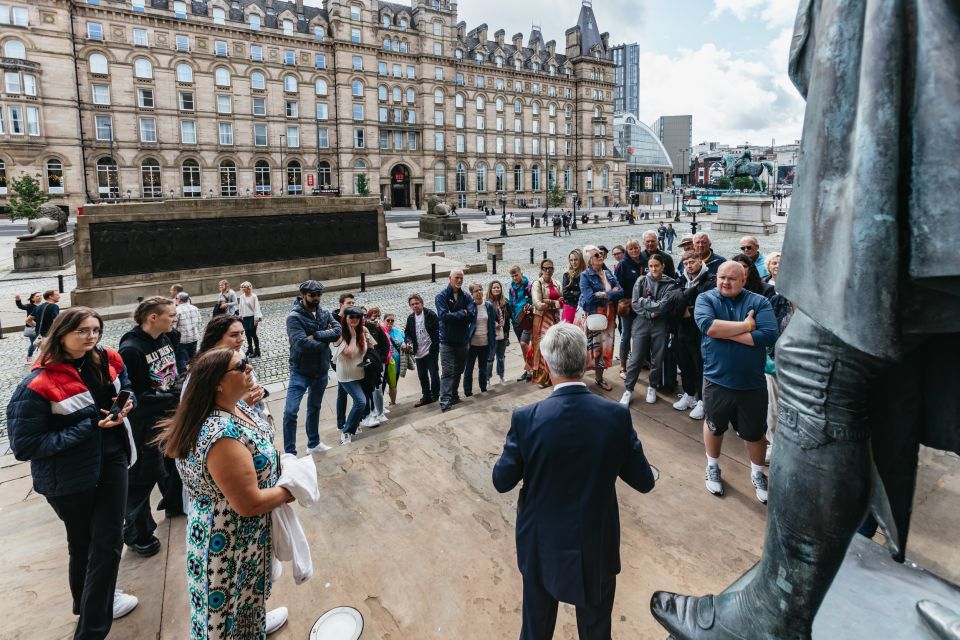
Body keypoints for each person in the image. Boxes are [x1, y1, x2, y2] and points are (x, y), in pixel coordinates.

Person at [492, 322, 656, 640]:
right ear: (585, 362)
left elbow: (502, 480)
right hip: (596, 540)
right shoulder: (616, 417)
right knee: (596, 630)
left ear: (547, 365)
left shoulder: (526, 419)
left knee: (535, 628)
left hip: (541, 541)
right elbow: (644, 480)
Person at [7, 307, 139, 638]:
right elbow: (26, 446)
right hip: (69, 477)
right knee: (81, 543)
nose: (91, 336)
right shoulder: (37, 383)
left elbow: (126, 386)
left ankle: (91, 627)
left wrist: (127, 402)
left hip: (112, 459)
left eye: (95, 329)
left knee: (107, 542)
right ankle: (85, 606)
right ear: (61, 334)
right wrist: (89, 427)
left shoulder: (107, 359)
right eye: (82, 330)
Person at [155, 348, 290, 637]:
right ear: (217, 383)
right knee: (229, 622)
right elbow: (249, 503)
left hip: (242, 539)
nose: (249, 365)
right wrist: (292, 490)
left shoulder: (231, 408)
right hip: (229, 545)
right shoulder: (220, 435)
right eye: (240, 365)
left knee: (246, 615)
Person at [694, 262, 779, 503]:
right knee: (713, 425)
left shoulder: (759, 302)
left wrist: (727, 333)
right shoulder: (706, 299)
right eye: (721, 277)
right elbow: (708, 327)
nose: (725, 282)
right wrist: (747, 326)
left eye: (732, 278)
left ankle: (758, 473)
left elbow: (769, 335)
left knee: (754, 433)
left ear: (743, 280)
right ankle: (712, 466)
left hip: (751, 382)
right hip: (716, 379)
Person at [118, 296, 181, 557]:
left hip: (168, 414)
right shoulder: (131, 350)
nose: (175, 319)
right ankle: (137, 533)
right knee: (142, 477)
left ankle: (175, 502)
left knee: (171, 464)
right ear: (152, 317)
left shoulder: (165, 338)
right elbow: (136, 396)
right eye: (171, 315)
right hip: (145, 424)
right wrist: (174, 397)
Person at [282, 280, 341, 455]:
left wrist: (315, 335)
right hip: (300, 371)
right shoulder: (294, 317)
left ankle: (313, 443)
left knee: (314, 407)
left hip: (321, 369)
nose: (316, 298)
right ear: (302, 295)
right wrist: (325, 342)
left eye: (319, 295)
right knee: (290, 412)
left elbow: (338, 331)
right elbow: (300, 344)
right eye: (312, 295)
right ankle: (290, 453)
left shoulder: (324, 313)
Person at [620, 254, 680, 406]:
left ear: (662, 266)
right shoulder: (641, 280)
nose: (654, 269)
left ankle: (652, 386)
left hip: (660, 324)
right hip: (642, 322)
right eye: (651, 266)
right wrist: (649, 312)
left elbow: (664, 306)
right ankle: (628, 389)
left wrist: (644, 302)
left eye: (657, 266)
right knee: (636, 358)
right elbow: (634, 303)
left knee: (657, 358)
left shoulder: (670, 284)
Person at [672, 250, 716, 421]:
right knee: (684, 363)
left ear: (700, 261)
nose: (689, 266)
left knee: (700, 366)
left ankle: (702, 400)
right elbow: (674, 299)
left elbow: (708, 303)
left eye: (692, 262)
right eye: (685, 263)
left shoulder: (710, 279)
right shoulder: (682, 279)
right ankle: (689, 393)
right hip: (681, 329)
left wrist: (687, 308)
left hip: (700, 331)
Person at [578, 245, 624, 391]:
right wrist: (611, 294)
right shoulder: (585, 275)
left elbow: (621, 291)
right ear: (589, 260)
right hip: (593, 316)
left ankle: (599, 378)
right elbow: (589, 298)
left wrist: (604, 295)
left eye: (601, 254)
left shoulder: (608, 273)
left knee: (605, 349)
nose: (600, 256)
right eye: (596, 255)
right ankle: (577, 379)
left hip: (608, 317)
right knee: (587, 349)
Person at [331, 307, 373, 445]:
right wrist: (354, 336)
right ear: (345, 318)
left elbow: (370, 347)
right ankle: (346, 431)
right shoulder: (340, 334)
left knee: (358, 402)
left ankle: (352, 424)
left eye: (357, 316)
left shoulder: (363, 331)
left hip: (360, 373)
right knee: (361, 402)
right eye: (351, 317)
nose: (354, 319)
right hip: (346, 375)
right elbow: (349, 353)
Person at [436, 269, 475, 412]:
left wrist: (457, 314)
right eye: (457, 278)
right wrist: (462, 313)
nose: (459, 280)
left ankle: (453, 394)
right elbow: (444, 316)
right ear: (450, 278)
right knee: (447, 371)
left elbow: (471, 315)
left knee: (459, 369)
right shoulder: (441, 296)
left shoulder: (466, 296)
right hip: (446, 341)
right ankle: (445, 400)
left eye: (461, 278)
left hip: (462, 340)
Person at [614, 239, 645, 378]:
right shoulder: (622, 264)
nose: (634, 251)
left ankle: (640, 361)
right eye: (631, 248)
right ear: (627, 250)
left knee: (641, 335)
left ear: (640, 248)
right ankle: (623, 367)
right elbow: (616, 286)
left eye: (636, 248)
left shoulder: (645, 261)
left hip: (643, 305)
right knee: (626, 335)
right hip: (628, 306)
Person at [529, 259, 563, 388]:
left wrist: (547, 301)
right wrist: (554, 302)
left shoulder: (557, 283)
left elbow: (562, 302)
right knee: (543, 347)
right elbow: (538, 304)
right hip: (542, 319)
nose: (548, 270)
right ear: (541, 269)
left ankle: (555, 375)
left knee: (556, 347)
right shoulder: (537, 284)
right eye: (545, 268)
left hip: (555, 319)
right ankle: (543, 378)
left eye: (550, 268)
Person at [404, 294, 441, 406]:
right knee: (422, 376)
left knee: (434, 375)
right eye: (412, 304)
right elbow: (407, 334)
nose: (415, 306)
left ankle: (435, 395)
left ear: (422, 303)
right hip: (418, 352)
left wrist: (434, 348)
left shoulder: (430, 314)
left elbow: (437, 332)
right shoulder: (410, 318)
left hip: (430, 350)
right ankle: (426, 396)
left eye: (417, 303)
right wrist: (409, 342)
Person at [463, 283, 496, 396]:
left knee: (483, 368)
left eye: (480, 290)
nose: (479, 293)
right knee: (469, 369)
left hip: (485, 343)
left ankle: (483, 388)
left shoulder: (488, 306)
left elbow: (491, 324)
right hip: (472, 344)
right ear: (472, 294)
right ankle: (468, 392)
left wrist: (492, 341)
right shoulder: (470, 306)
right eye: (476, 291)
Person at [360, 307, 390, 428]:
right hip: (361, 365)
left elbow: (384, 344)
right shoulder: (352, 330)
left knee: (377, 388)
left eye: (362, 315)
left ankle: (379, 412)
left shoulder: (373, 327)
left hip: (375, 363)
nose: (360, 318)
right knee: (365, 390)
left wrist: (380, 359)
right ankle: (368, 414)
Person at [508, 266, 534, 382]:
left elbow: (534, 301)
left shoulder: (529, 286)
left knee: (527, 345)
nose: (515, 278)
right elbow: (511, 304)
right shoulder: (512, 288)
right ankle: (528, 369)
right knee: (522, 346)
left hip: (527, 319)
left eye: (516, 275)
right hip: (517, 320)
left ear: (521, 273)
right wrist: (513, 318)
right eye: (512, 276)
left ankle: (532, 369)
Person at [485, 281, 510, 385]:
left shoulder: (505, 302)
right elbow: (484, 319)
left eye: (498, 287)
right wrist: (493, 324)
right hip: (491, 335)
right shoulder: (486, 303)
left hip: (503, 334)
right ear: (490, 289)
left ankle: (501, 376)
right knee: (490, 358)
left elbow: (508, 320)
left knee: (501, 357)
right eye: (494, 288)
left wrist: (507, 334)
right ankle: (487, 379)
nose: (496, 289)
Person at [381, 311, 406, 407]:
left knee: (393, 384)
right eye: (388, 320)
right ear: (384, 321)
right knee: (382, 385)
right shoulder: (381, 331)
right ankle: (380, 406)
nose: (390, 322)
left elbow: (404, 340)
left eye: (392, 320)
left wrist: (407, 345)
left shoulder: (398, 331)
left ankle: (393, 402)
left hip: (396, 364)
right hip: (384, 363)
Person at [174, 292, 202, 375]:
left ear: (180, 300)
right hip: (194, 337)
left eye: (176, 298)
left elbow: (174, 327)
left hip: (182, 339)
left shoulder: (177, 310)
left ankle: (183, 378)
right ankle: (195, 375)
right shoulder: (195, 308)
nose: (175, 300)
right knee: (193, 358)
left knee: (181, 360)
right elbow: (199, 322)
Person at [238, 281, 263, 358]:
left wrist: (256, 319)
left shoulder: (253, 296)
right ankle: (250, 349)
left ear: (248, 288)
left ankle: (257, 350)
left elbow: (256, 308)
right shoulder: (242, 297)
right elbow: (240, 307)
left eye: (244, 287)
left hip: (252, 317)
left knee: (253, 334)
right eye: (242, 287)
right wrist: (240, 317)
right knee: (247, 334)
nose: (242, 289)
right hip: (245, 318)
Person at [561, 250, 585, 325]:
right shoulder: (567, 275)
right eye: (571, 260)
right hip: (570, 306)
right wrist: (580, 293)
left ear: (581, 260)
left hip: (583, 307)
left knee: (582, 331)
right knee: (567, 332)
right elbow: (565, 293)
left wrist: (573, 292)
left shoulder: (586, 274)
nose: (573, 262)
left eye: (576, 259)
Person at [15, 291, 41, 362]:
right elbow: (21, 306)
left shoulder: (43, 305)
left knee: (43, 342)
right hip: (32, 327)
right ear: (32, 299)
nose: (39, 297)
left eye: (40, 296)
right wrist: (18, 300)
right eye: (37, 296)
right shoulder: (30, 306)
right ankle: (29, 357)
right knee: (33, 344)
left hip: (41, 327)